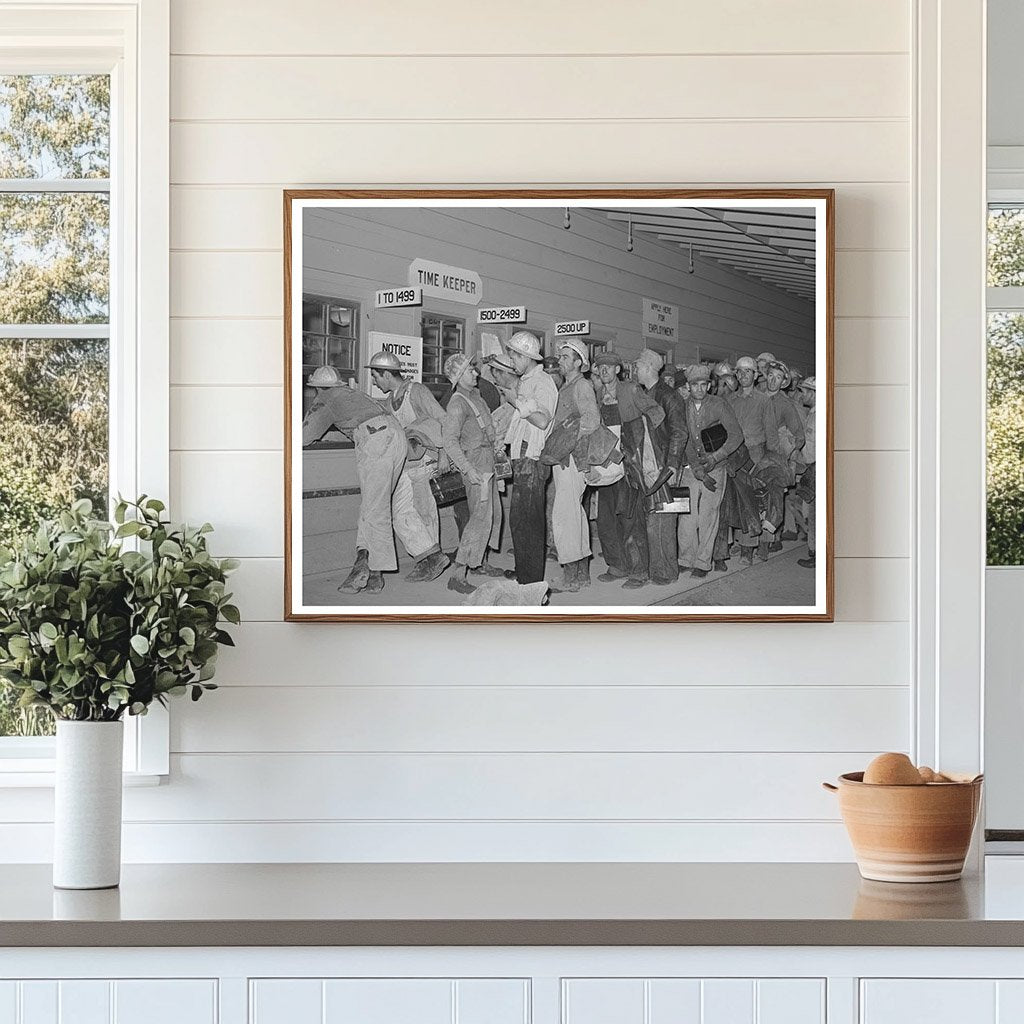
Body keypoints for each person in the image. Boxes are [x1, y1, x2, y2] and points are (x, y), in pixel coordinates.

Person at [301, 366, 448, 594]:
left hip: (376, 442)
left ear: (318, 387)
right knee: (380, 507)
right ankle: (377, 570)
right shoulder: (355, 395)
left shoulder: (325, 399)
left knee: (374, 509)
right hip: (399, 440)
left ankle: (369, 571)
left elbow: (304, 436)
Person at [368, 350, 447, 574]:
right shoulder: (389, 401)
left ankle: (430, 563)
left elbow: (443, 420)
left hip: (426, 462)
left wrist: (443, 453)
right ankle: (432, 557)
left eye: (375, 376)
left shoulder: (417, 391)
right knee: (402, 514)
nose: (375, 381)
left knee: (425, 512)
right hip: (405, 464)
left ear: (386, 374)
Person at [592, 350, 664, 588]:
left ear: (617, 370)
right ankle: (617, 565)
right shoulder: (597, 394)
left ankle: (639, 571)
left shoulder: (631, 390)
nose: (604, 370)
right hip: (606, 464)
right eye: (600, 367)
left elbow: (657, 413)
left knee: (630, 519)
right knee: (606, 519)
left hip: (629, 465)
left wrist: (642, 444)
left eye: (608, 367)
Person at [497, 330, 558, 584]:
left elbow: (543, 420)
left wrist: (516, 401)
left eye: (514, 356)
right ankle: (525, 572)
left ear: (525, 356)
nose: (512, 362)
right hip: (522, 459)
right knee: (519, 520)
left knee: (529, 522)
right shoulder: (528, 380)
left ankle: (531, 582)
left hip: (532, 461)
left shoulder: (542, 382)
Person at [441, 354, 503, 594]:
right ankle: (459, 574)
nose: (476, 373)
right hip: (476, 464)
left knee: (493, 516)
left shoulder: (475, 397)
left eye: (474, 370)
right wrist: (468, 469)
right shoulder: (457, 403)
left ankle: (481, 563)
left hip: (489, 460)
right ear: (458, 377)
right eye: (470, 371)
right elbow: (449, 441)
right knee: (478, 519)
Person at [677, 363, 743, 578]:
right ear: (688, 386)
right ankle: (686, 558)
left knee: (708, 515)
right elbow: (683, 438)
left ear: (709, 385)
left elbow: (736, 436)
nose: (699, 389)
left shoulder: (718, 404)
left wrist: (715, 457)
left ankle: (703, 562)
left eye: (703, 384)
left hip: (716, 467)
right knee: (687, 516)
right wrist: (695, 466)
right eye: (694, 385)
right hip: (691, 467)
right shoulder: (682, 407)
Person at [635, 348, 688, 585]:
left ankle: (666, 571)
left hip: (664, 465)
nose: (634, 370)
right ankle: (657, 568)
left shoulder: (669, 396)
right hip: (649, 463)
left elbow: (679, 432)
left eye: (637, 366)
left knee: (664, 520)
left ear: (647, 368)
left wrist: (672, 465)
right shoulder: (645, 393)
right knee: (652, 519)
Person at [754, 359, 806, 556]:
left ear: (784, 381)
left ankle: (765, 545)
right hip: (755, 452)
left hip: (774, 456)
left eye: (778, 378)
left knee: (771, 499)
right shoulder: (757, 397)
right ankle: (753, 540)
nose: (773, 381)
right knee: (757, 498)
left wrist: (788, 458)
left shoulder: (785, 404)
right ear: (765, 375)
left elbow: (799, 436)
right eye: (771, 376)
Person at [727, 355, 769, 565]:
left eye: (748, 371)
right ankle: (739, 540)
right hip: (734, 453)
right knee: (735, 499)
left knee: (750, 501)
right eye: (740, 372)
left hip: (754, 453)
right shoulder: (730, 400)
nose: (743, 375)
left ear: (755, 375)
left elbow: (771, 434)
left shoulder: (763, 400)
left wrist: (766, 461)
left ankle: (748, 548)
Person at [795, 375, 817, 569]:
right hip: (811, 468)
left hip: (816, 469)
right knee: (812, 513)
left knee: (816, 514)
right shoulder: (812, 414)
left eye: (804, 392)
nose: (802, 395)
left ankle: (817, 554)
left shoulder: (819, 416)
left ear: (813, 393)